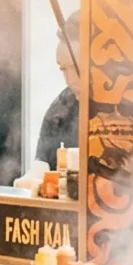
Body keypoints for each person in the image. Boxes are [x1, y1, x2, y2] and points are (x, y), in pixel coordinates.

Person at [33, 9, 82, 170]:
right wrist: (34, 175)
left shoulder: (131, 107)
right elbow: (42, 164)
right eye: (63, 69)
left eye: (77, 68)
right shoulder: (62, 108)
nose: (70, 80)